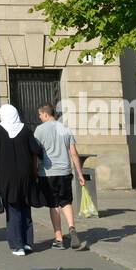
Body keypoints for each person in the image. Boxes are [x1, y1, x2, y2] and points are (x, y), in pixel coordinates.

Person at [33, 104, 88, 250]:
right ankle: (71, 228)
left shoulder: (39, 130)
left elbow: (35, 153)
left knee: (53, 204)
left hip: (48, 173)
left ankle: (58, 239)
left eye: (40, 115)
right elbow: (74, 153)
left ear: (45, 114)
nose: (39, 118)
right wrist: (80, 174)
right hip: (65, 172)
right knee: (66, 201)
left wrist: (34, 171)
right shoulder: (65, 128)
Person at [0, 104, 42, 256]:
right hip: (26, 176)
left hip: (6, 177)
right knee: (26, 207)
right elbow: (36, 149)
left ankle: (17, 245)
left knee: (13, 209)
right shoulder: (25, 130)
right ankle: (28, 243)